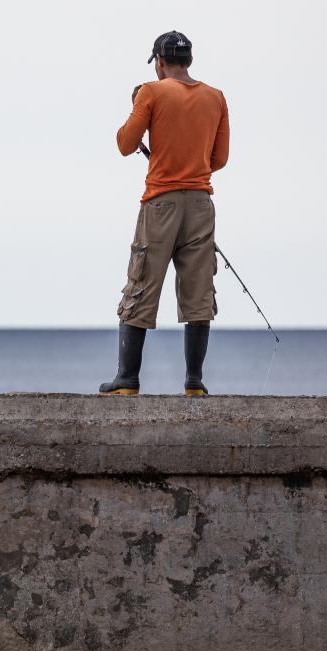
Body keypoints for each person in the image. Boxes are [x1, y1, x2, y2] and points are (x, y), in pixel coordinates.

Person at [100, 31, 230, 397]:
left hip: (161, 203)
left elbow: (126, 144)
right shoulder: (216, 98)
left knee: (141, 283)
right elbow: (219, 159)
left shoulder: (151, 92)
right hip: (201, 204)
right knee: (198, 289)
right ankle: (194, 383)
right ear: (188, 60)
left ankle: (127, 380)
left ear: (159, 61)